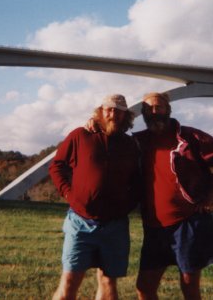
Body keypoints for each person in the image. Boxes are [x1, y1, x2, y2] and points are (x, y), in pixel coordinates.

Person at [134, 92, 213, 300]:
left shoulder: (189, 137)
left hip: (188, 222)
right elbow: (108, 142)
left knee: (190, 286)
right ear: (143, 113)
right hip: (155, 226)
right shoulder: (139, 142)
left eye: (159, 107)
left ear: (168, 109)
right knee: (144, 287)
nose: (155, 112)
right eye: (149, 109)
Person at [49, 94, 141, 300]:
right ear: (100, 111)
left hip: (115, 225)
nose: (113, 114)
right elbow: (57, 166)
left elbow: (137, 180)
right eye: (108, 109)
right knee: (70, 280)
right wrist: (68, 193)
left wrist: (127, 205)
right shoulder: (81, 135)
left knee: (108, 281)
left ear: (126, 116)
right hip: (80, 221)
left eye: (118, 111)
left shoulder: (130, 144)